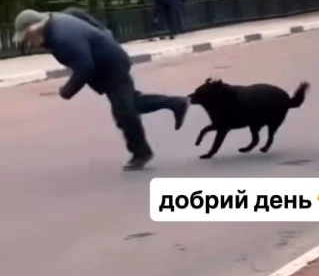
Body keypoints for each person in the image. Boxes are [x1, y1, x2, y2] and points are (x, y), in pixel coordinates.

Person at [13, 10, 190, 171]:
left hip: (112, 66)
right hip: (107, 63)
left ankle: (141, 153)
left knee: (123, 112)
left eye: (27, 37)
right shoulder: (54, 20)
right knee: (132, 103)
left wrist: (66, 91)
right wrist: (103, 31)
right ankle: (177, 103)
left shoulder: (61, 37)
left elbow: (85, 67)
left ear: (36, 28)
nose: (29, 43)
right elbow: (76, 12)